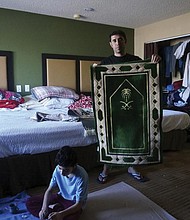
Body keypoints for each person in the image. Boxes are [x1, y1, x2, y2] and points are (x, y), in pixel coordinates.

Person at [97, 30, 161, 184]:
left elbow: (146, 78)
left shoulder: (136, 60)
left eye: (120, 40)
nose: (117, 43)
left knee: (134, 135)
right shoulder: (105, 64)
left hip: (133, 106)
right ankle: (106, 169)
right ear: (110, 44)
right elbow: (99, 86)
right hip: (113, 109)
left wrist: (155, 62)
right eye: (114, 40)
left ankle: (132, 167)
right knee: (109, 137)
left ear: (125, 42)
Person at [26, 146, 88, 220]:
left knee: (72, 217)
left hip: (73, 203)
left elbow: (79, 204)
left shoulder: (82, 176)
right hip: (61, 197)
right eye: (60, 168)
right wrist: (44, 209)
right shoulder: (57, 170)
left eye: (66, 170)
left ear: (74, 166)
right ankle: (57, 211)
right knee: (30, 202)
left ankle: (58, 212)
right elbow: (49, 190)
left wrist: (61, 214)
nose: (61, 173)